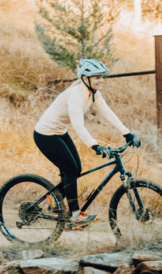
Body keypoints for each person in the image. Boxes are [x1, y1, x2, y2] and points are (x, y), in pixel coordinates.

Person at [34, 59, 140, 230]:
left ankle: (55, 200)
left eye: (102, 77)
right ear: (84, 78)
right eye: (96, 77)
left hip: (59, 132)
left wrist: (126, 132)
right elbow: (78, 125)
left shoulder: (94, 93)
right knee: (70, 169)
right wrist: (95, 145)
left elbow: (106, 112)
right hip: (45, 134)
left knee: (76, 170)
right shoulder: (76, 94)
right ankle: (74, 216)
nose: (101, 80)